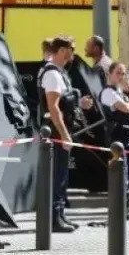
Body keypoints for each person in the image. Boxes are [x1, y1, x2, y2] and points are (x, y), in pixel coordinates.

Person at [38, 35, 93, 232]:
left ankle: (60, 214)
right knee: (57, 175)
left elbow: (64, 101)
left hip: (63, 129)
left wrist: (80, 103)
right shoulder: (52, 74)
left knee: (62, 175)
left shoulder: (60, 73)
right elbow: (53, 108)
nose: (74, 53)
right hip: (55, 131)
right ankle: (54, 218)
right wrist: (64, 135)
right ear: (62, 50)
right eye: (72, 48)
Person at [99, 62, 129, 220]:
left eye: (123, 73)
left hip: (128, 135)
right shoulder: (108, 93)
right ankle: (120, 206)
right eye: (118, 73)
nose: (121, 77)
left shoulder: (120, 91)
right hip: (116, 138)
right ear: (109, 74)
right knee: (120, 173)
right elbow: (124, 108)